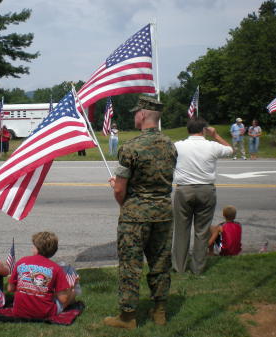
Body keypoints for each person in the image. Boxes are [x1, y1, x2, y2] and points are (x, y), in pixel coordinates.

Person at [105, 96, 177, 329]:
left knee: (130, 264)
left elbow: (119, 189)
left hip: (136, 215)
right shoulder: (170, 145)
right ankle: (160, 312)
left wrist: (124, 202)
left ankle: (127, 316)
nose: (134, 115)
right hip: (164, 212)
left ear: (143, 114)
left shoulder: (131, 147)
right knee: (160, 262)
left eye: (137, 112)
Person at [172, 117, 233, 275]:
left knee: (181, 230)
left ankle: (179, 268)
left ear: (188, 130)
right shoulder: (212, 146)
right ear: (204, 130)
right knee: (202, 231)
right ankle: (197, 268)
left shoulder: (178, 146)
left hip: (184, 189)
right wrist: (216, 135)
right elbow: (230, 149)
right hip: (206, 190)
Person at [7, 231, 77, 319]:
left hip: (19, 311)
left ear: (36, 249)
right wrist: (71, 289)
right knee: (73, 292)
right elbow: (64, 299)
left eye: (33, 246)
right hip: (44, 313)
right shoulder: (56, 268)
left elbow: (10, 288)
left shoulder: (22, 261)